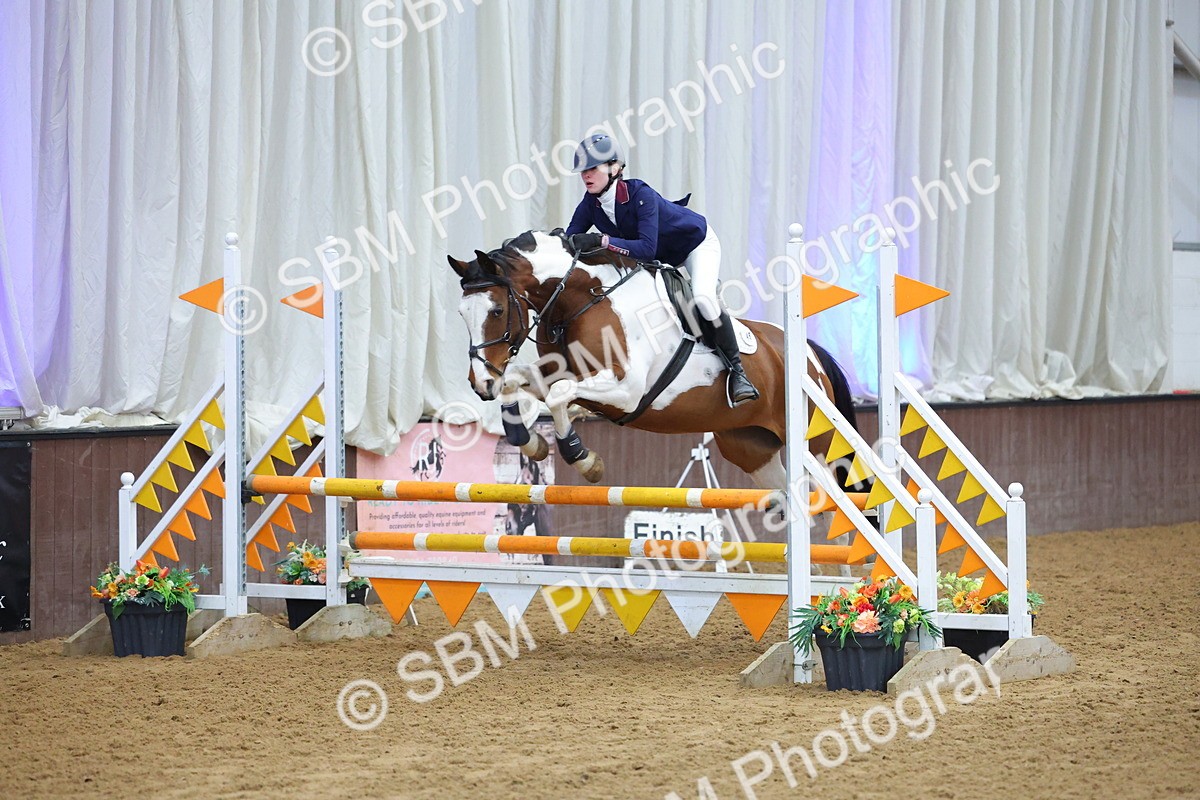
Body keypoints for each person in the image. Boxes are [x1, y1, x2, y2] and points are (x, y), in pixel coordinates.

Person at [562, 133, 759, 407]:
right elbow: (570, 239)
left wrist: (603, 241)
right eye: (583, 170)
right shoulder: (590, 204)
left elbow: (645, 248)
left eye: (592, 168)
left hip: (693, 245)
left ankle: (738, 373)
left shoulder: (640, 194)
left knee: (702, 298)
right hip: (659, 259)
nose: (586, 175)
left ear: (615, 168)